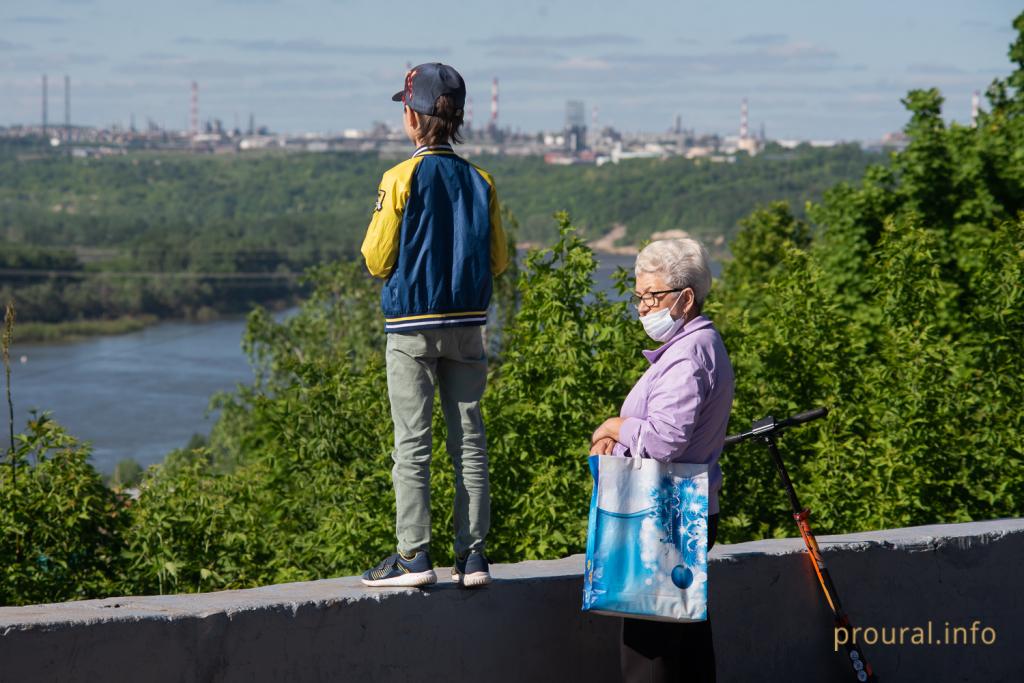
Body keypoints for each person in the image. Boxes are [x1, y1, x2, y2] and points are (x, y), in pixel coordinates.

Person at [359, 63, 509, 589]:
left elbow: (376, 260)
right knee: (470, 442)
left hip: (411, 329)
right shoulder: (481, 180)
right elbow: (499, 260)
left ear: (413, 116)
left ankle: (413, 557)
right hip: (468, 327)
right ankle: (473, 558)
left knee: (413, 445)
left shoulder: (398, 178)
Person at [590, 237, 733, 683]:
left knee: (649, 654)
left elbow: (663, 443)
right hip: (682, 509)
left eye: (653, 296)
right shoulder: (696, 345)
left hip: (663, 515)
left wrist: (615, 426)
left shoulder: (688, 355)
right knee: (685, 645)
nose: (642, 307)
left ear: (685, 298)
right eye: (639, 296)